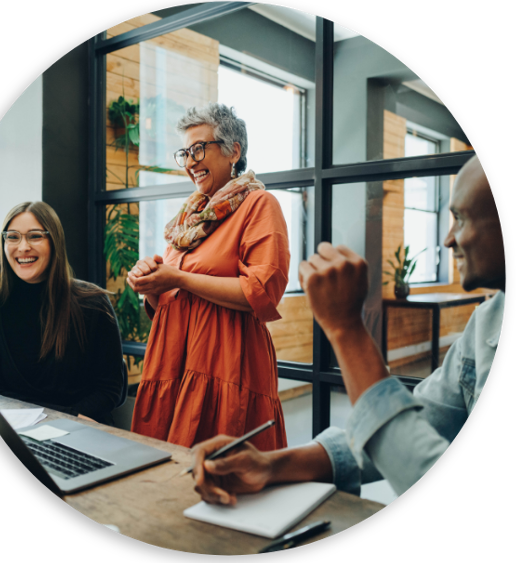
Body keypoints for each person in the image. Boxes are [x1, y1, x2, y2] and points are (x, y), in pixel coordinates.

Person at [189, 153, 505, 503]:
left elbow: (418, 462)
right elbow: (413, 429)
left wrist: (345, 329)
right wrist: (271, 464)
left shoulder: (260, 204)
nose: (448, 240)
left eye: (459, 218)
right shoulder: (486, 321)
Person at [127, 103, 290, 450]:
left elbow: (260, 292)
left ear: (234, 151)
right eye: (185, 153)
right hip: (172, 361)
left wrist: (178, 279)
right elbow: (167, 302)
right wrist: (151, 284)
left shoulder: (259, 205)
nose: (190, 162)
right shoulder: (189, 218)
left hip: (226, 364)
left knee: (225, 475)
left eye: (199, 148)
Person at [0, 201, 125, 426]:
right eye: (13, 237)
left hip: (85, 430)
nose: (23, 247)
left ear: (54, 242)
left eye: (35, 236)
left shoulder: (93, 302)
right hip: (18, 435)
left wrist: (65, 421)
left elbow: (110, 389)